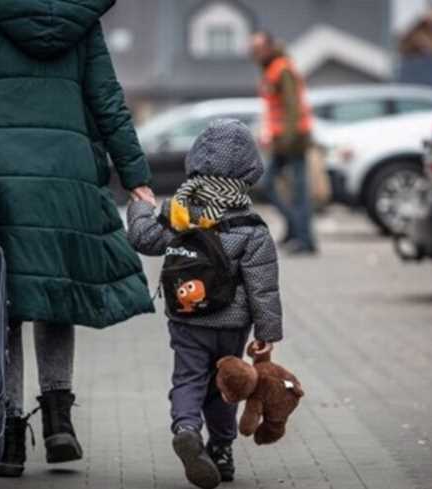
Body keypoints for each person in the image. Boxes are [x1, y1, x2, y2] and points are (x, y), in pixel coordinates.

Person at [0, 0, 156, 478]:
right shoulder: (78, 12)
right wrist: (135, 174)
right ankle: (58, 418)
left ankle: (8, 433)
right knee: (54, 291)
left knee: (2, 301)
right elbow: (106, 97)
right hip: (64, 173)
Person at [127, 119, 283, 489]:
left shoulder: (179, 212)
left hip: (186, 318)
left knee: (188, 378)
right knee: (225, 385)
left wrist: (139, 206)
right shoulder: (251, 226)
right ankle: (222, 452)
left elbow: (143, 239)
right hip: (231, 325)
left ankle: (186, 429)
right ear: (249, 169)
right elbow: (262, 286)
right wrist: (267, 333)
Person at [251, 31, 317, 255]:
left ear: (270, 47)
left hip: (293, 139)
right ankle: (295, 230)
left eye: (259, 48)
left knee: (298, 192)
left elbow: (293, 108)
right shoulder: (271, 69)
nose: (255, 53)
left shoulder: (283, 69)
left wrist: (287, 139)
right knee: (270, 185)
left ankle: (305, 239)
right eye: (253, 49)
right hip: (282, 139)